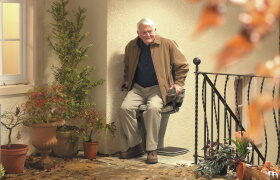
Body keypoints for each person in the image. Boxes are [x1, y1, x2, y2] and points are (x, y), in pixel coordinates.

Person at [119, 18, 189, 164]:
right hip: (137, 88)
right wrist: (127, 79)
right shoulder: (131, 46)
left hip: (158, 88)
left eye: (150, 31)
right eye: (143, 32)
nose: (147, 35)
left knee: (152, 109)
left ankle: (152, 149)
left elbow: (182, 65)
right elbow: (127, 65)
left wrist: (178, 83)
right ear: (138, 33)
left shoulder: (167, 44)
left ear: (155, 30)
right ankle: (135, 146)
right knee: (125, 108)